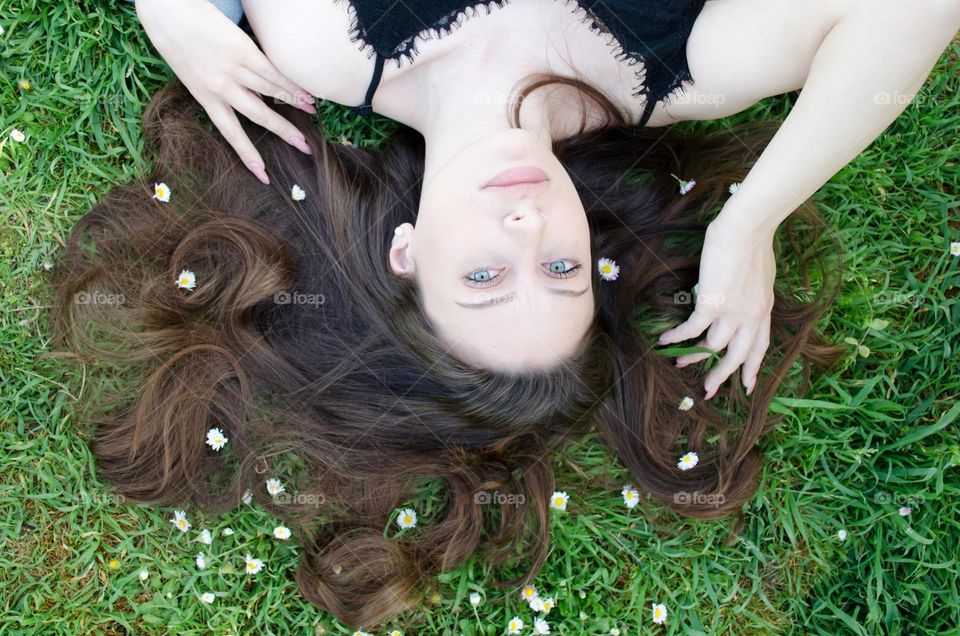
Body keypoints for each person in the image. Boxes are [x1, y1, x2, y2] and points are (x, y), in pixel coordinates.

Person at [49, 0, 956, 628]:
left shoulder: (324, 43)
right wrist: (752, 218)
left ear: (403, 252)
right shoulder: (674, 73)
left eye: (486, 275)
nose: (524, 226)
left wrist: (173, 12)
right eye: (559, 267)